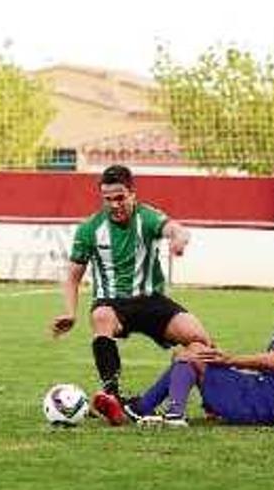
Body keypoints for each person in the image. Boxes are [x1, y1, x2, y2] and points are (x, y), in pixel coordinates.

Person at [50, 164, 213, 425]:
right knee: (101, 317)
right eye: (108, 199)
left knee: (201, 339)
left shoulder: (146, 217)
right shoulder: (90, 230)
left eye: (120, 198)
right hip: (113, 302)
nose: (114, 205)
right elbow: (72, 277)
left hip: (151, 300)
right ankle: (111, 395)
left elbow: (174, 228)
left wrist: (180, 238)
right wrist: (70, 312)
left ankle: (212, 401)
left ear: (132, 194)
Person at [125, 284, 274, 427]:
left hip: (258, 400)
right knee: (199, 355)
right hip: (271, 411)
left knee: (194, 351)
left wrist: (229, 359)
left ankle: (168, 414)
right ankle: (144, 408)